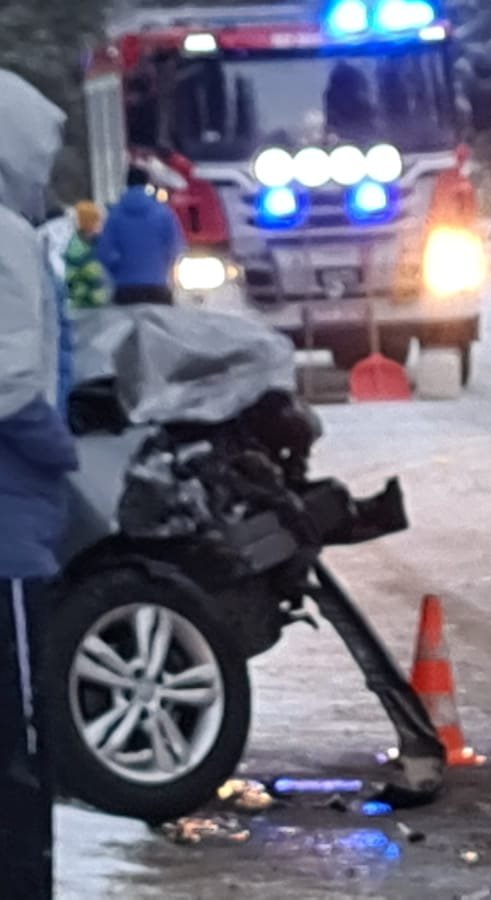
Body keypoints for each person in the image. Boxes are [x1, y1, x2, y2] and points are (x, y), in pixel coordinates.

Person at [0, 68, 80, 900]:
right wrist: (59, 450)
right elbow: (13, 379)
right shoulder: (8, 238)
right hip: (11, 527)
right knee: (23, 736)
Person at [96, 167, 185, 306]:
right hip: (157, 287)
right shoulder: (164, 213)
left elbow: (104, 252)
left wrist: (118, 272)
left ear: (126, 184)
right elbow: (176, 247)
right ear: (147, 184)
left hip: (125, 289)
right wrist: (161, 268)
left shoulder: (115, 215)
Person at [62, 202, 109, 310]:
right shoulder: (77, 247)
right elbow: (74, 276)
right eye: (98, 222)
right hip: (82, 304)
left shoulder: (96, 242)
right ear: (89, 224)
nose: (102, 225)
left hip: (97, 303)